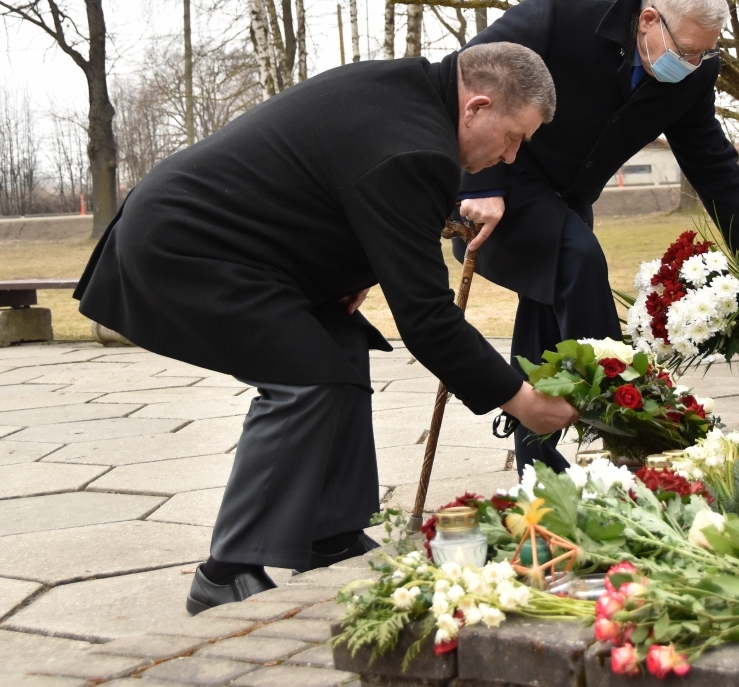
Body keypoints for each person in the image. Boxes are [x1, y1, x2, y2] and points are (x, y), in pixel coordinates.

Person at [73, 41, 579, 614]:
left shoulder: (414, 99)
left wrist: (348, 266)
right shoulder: (415, 146)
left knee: (340, 347)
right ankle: (227, 570)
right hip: (186, 244)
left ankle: (330, 535)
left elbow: (332, 184)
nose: (512, 157)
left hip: (249, 250)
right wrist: (519, 400)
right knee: (306, 375)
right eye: (514, 137)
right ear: (478, 107)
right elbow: (427, 318)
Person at [452, 0, 739, 473]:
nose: (697, 63)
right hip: (493, 187)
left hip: (564, 204)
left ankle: (536, 460)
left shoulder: (691, 77)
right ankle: (624, 430)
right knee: (578, 260)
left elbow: (716, 167)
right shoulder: (556, 19)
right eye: (688, 51)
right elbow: (463, 80)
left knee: (553, 301)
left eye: (707, 52)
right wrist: (479, 185)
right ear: (648, 20)